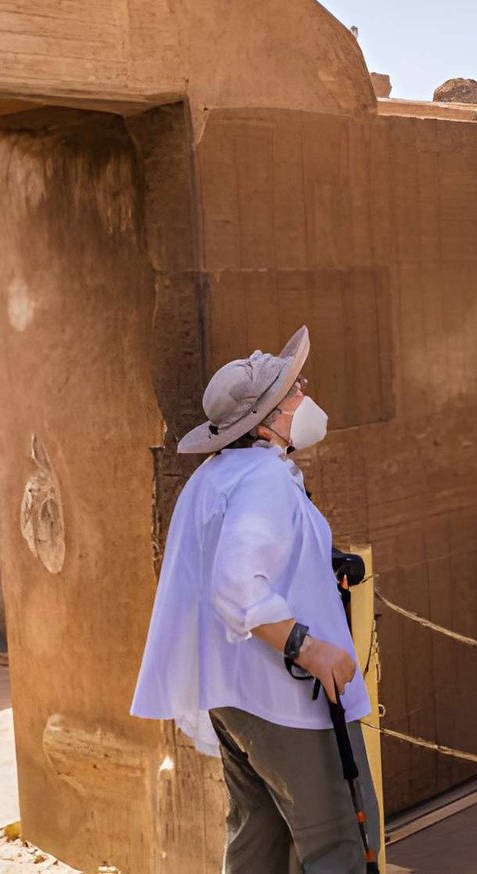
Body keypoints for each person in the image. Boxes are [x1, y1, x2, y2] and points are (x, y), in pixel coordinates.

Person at [132, 326, 380, 873]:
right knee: (339, 837)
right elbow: (236, 583)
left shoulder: (217, 475)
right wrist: (308, 647)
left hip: (235, 694)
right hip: (284, 698)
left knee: (258, 836)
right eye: (294, 391)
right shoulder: (263, 478)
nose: (305, 395)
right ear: (267, 420)